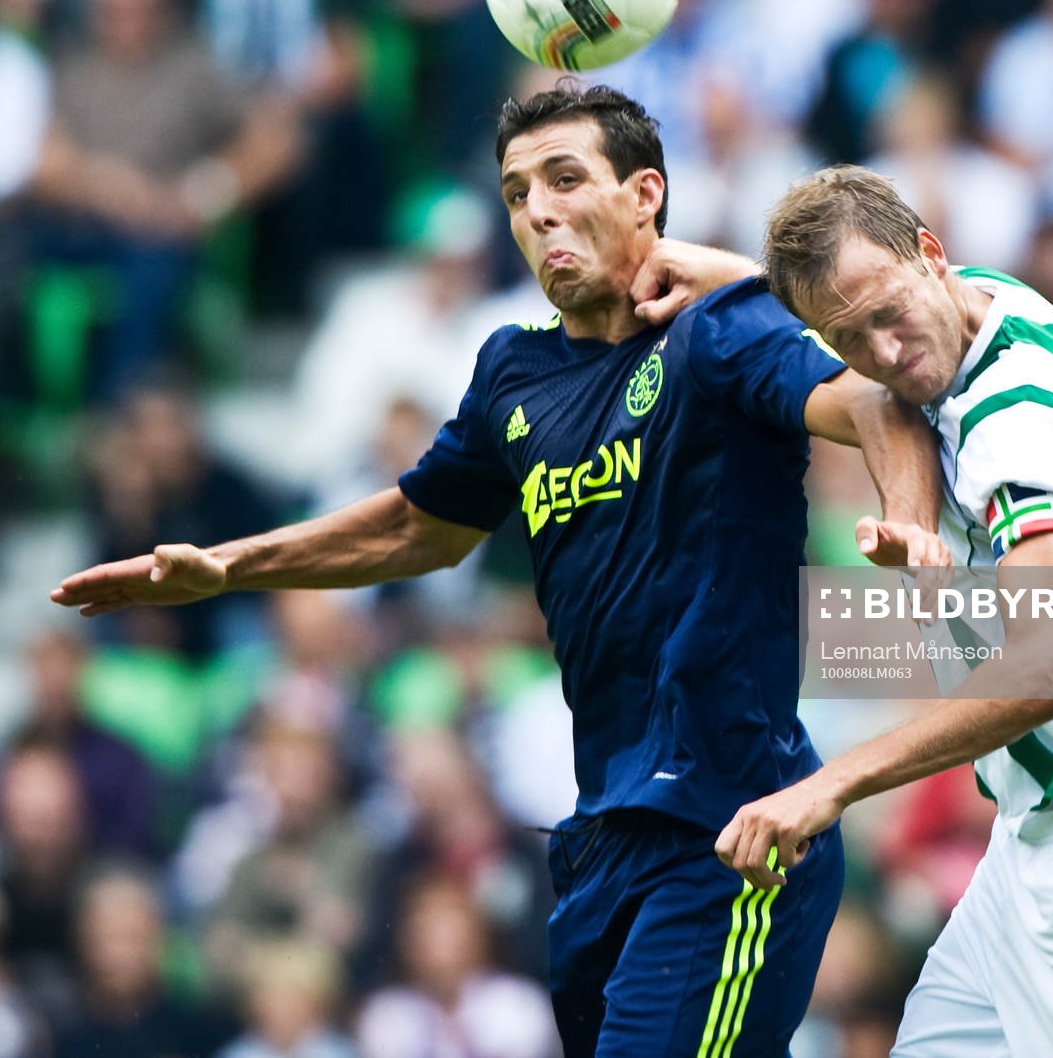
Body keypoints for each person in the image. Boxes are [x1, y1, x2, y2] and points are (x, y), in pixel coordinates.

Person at [53, 83, 949, 1057]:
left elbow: (876, 401)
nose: (539, 210)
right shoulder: (512, 373)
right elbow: (418, 525)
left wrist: (911, 526)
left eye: (566, 178)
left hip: (732, 832)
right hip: (603, 838)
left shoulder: (715, 330)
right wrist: (230, 566)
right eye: (518, 191)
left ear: (645, 194)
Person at [664, 165, 1053, 1055]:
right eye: (852, 339)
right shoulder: (984, 300)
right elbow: (849, 322)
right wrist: (715, 271)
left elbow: (1052, 666)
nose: (888, 355)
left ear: (930, 256)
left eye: (888, 315)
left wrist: (831, 784)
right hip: (1035, 852)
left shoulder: (1022, 429)